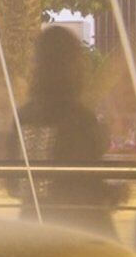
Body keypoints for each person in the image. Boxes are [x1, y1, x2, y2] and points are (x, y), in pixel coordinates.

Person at [8, 24, 108, 168]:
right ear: (73, 66)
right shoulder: (80, 120)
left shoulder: (23, 116)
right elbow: (87, 182)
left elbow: (13, 178)